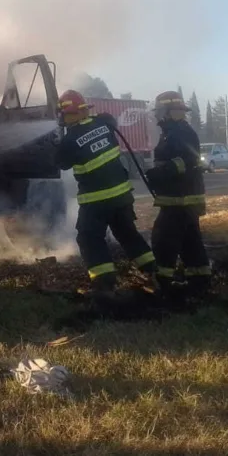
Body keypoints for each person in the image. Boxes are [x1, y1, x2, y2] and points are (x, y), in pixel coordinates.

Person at [54, 90, 156, 309]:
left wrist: (57, 142)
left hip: (96, 202)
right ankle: (154, 273)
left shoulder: (70, 139)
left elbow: (61, 163)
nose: (63, 120)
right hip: (122, 196)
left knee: (89, 239)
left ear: (71, 114)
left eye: (65, 115)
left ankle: (105, 285)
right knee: (128, 235)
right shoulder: (105, 126)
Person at [143, 90, 211, 291]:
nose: (156, 116)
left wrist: (161, 172)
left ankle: (163, 281)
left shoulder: (181, 132)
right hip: (183, 198)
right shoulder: (173, 131)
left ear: (167, 111)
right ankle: (199, 280)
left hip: (180, 199)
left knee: (163, 239)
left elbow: (187, 162)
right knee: (191, 241)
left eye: (159, 112)